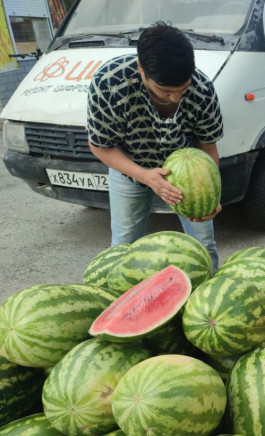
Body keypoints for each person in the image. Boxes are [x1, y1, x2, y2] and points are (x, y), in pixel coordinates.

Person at [87, 22, 223, 271]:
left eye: (182, 89)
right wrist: (145, 176)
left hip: (190, 176)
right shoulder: (109, 84)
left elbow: (208, 146)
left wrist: (212, 196)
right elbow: (100, 145)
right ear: (141, 69)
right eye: (166, 91)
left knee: (204, 246)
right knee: (124, 248)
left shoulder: (203, 90)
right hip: (130, 170)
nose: (176, 98)